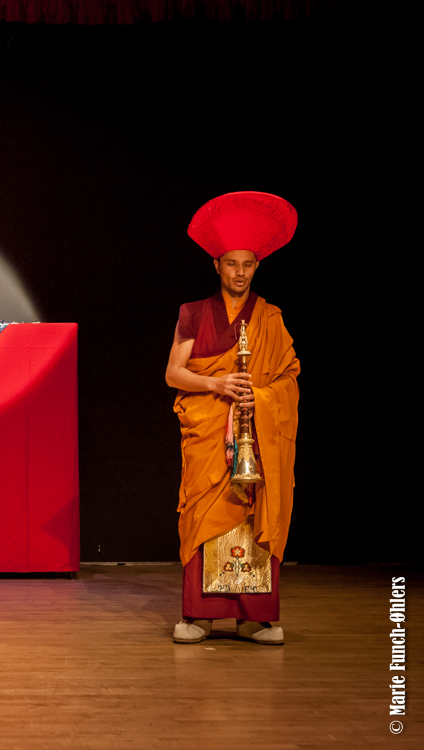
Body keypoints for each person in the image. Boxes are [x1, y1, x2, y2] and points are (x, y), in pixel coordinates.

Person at [164, 191, 300, 645]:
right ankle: (200, 616)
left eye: (247, 265)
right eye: (231, 264)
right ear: (217, 266)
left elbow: (288, 378)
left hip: (255, 437)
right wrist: (218, 385)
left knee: (255, 514)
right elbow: (174, 373)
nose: (239, 273)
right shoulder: (193, 313)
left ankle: (253, 618)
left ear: (256, 267)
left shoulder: (270, 318)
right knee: (205, 515)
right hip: (209, 435)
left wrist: (259, 399)